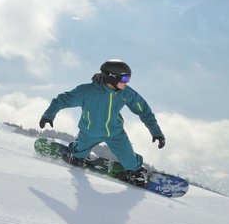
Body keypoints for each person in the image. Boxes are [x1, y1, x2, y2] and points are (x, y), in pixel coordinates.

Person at [37, 59, 166, 186]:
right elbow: (62, 100)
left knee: (131, 162)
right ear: (112, 78)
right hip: (89, 132)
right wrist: (48, 116)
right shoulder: (87, 91)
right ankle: (77, 153)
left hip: (115, 133)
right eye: (125, 79)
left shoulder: (125, 93)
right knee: (78, 156)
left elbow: (144, 111)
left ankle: (136, 172)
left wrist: (156, 132)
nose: (127, 82)